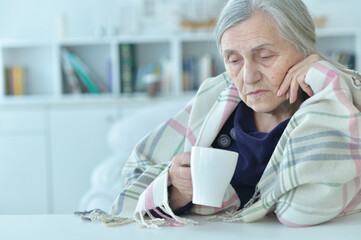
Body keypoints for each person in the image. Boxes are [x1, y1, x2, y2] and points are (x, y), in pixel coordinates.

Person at [82, 0, 361, 228]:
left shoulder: (337, 106)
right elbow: (136, 177)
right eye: (234, 60)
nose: (248, 77)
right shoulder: (216, 99)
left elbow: (302, 211)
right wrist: (177, 191)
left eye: (265, 56)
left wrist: (328, 80)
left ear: (304, 50)